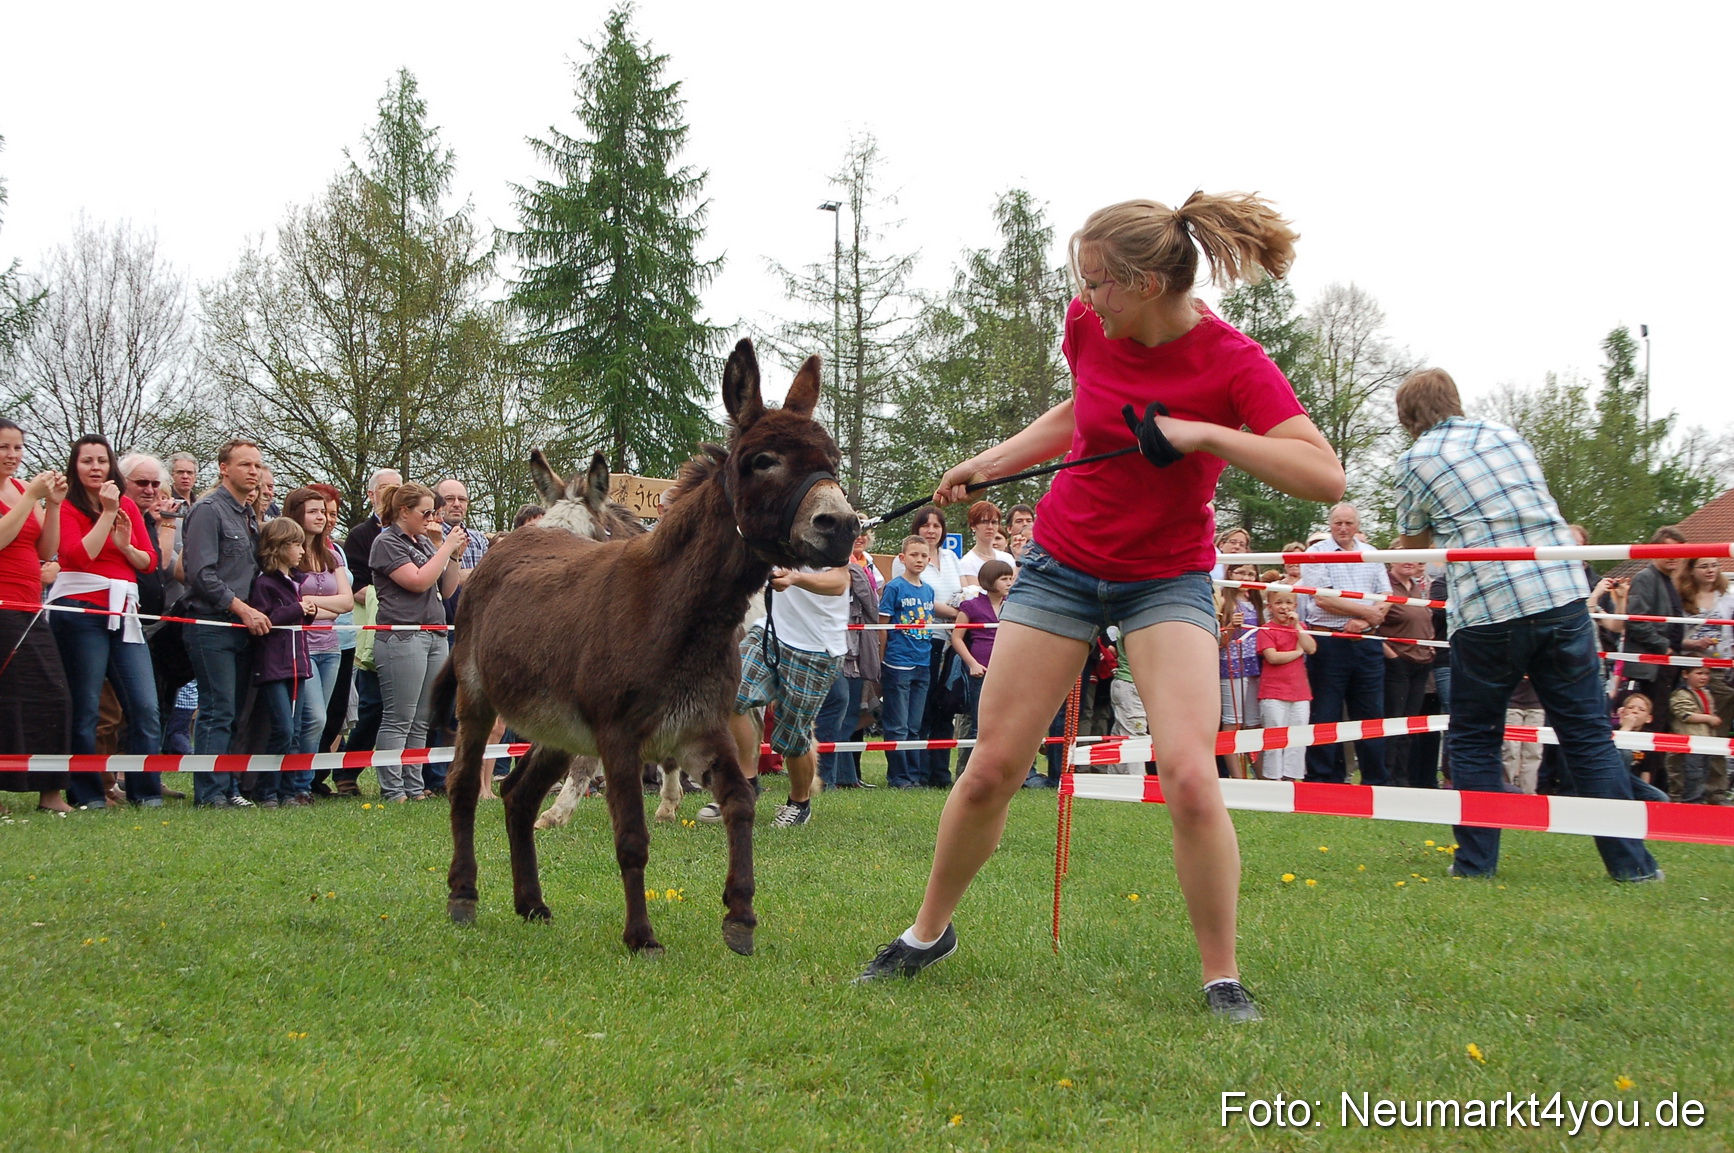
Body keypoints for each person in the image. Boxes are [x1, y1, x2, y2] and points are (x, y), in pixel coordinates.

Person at [855, 192, 1344, 1026]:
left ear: (1147, 282)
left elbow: (1324, 475)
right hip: (1062, 565)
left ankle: (1221, 976)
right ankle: (928, 931)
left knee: (1190, 774)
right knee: (991, 769)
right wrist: (989, 459)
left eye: (1098, 283)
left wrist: (1203, 434)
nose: (1084, 299)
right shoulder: (1092, 332)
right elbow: (1080, 410)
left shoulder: (1232, 361)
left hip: (1167, 579)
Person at [1392, 367, 1659, 882]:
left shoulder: (1415, 458)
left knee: (1473, 739)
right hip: (1561, 593)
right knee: (1587, 737)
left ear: (1408, 418)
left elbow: (1412, 547)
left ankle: (1474, 866)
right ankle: (1634, 868)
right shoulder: (1504, 434)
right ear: (1454, 399)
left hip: (1488, 609)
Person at [48, 434, 162, 808]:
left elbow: (148, 561)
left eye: (101, 460)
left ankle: (146, 791)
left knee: (145, 705)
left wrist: (127, 544)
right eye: (87, 461)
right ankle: (86, 793)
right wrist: (108, 514)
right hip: (82, 610)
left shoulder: (128, 503)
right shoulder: (68, 506)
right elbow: (78, 556)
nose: (95, 468)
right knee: (88, 706)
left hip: (124, 611)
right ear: (75, 467)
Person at [697, 561, 849, 827]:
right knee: (729, 694)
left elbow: (839, 581)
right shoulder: (776, 529)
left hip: (816, 649)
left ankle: (799, 803)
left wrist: (795, 578)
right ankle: (745, 784)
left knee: (793, 738)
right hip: (770, 633)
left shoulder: (829, 526)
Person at [180, 439, 270, 808]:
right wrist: (241, 609)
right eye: (245, 464)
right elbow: (199, 573)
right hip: (211, 623)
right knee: (217, 708)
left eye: (257, 465)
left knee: (236, 710)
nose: (253, 471)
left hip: (244, 629)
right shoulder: (208, 510)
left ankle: (230, 786)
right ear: (223, 468)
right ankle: (210, 792)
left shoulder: (247, 515)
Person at [368, 482, 466, 802]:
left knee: (423, 718)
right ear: (403, 512)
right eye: (425, 513)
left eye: (433, 513)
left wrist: (452, 556)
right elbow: (418, 581)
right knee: (400, 716)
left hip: (434, 633)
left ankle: (413, 783)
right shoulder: (386, 543)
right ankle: (392, 787)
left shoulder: (423, 542)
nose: (431, 518)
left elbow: (447, 589)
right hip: (403, 635)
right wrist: (443, 548)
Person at [0, 418, 74, 814]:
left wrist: (54, 506)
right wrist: (31, 497)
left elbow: (47, 547)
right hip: (2, 607)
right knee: (5, 699)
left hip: (29, 606)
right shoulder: (21, 492)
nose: (12, 456)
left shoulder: (18, 489)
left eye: (17, 448)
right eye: (3, 448)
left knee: (53, 694)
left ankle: (50, 791)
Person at [1301, 504, 1390, 785]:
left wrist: (1365, 622)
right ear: (1330, 524)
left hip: (1366, 641)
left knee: (1370, 712)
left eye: (1348, 523)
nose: (1343, 528)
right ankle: (1324, 778)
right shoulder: (1316, 554)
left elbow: (1386, 595)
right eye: (1338, 523)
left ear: (1356, 525)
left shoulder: (1372, 554)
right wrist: (1366, 612)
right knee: (1326, 711)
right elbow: (1323, 598)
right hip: (1329, 641)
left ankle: (1376, 779)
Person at [282, 487, 353, 789]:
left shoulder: (332, 553)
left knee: (320, 718)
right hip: (299, 647)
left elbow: (346, 603)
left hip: (331, 647)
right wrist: (312, 606)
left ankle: (304, 782)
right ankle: (295, 783)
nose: (321, 517)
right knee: (309, 718)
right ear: (297, 514)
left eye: (323, 511)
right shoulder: (287, 553)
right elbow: (288, 602)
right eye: (313, 511)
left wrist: (309, 605)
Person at [246, 518, 317, 807]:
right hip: (274, 667)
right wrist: (296, 609)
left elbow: (294, 619)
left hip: (298, 666)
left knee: (296, 733)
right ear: (278, 547)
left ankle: (288, 792)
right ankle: (265, 790)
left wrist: (306, 612)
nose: (302, 550)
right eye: (296, 544)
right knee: (283, 730)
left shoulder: (295, 583)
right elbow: (267, 621)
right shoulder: (264, 584)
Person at [892, 506, 964, 786]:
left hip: (951, 640)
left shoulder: (951, 557)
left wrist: (963, 609)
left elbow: (965, 589)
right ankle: (916, 771)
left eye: (936, 525)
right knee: (922, 711)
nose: (931, 530)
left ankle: (940, 773)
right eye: (926, 525)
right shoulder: (906, 559)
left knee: (945, 707)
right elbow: (918, 597)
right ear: (917, 528)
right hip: (922, 640)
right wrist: (953, 611)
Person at [1622, 527, 1687, 793]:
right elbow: (1636, 621)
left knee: (1660, 726)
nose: (1673, 557)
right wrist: (1664, 647)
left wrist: (1686, 646)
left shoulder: (1669, 581)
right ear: (1654, 549)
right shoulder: (1645, 578)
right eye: (1667, 551)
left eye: (1678, 552)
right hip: (1651, 668)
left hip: (1665, 667)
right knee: (1648, 725)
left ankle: (1654, 786)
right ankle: (1644, 786)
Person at [817, 532, 884, 790]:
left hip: (856, 649)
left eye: (863, 533)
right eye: (852, 534)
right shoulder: (826, 565)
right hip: (830, 647)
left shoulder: (866, 567)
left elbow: (872, 605)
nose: (858, 538)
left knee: (851, 713)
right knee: (836, 708)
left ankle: (844, 777)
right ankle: (825, 778)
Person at [878, 535, 937, 789]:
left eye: (924, 555)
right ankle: (898, 776)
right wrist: (882, 658)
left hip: (922, 661)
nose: (919, 560)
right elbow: (882, 626)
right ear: (903, 558)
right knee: (898, 725)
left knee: (914, 725)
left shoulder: (928, 590)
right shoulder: (894, 587)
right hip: (898, 661)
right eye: (914, 555)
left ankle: (914, 775)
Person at [950, 558, 1014, 773]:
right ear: (989, 580)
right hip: (981, 672)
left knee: (1005, 723)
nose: (1009, 583)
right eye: (1004, 579)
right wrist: (972, 663)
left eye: (1010, 578)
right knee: (977, 724)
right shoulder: (971, 605)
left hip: (1007, 672)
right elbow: (957, 637)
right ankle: (966, 772)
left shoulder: (1014, 605)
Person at [1377, 557, 1436, 788]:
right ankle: (1387, 778)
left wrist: (1430, 647)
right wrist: (1392, 655)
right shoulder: (1386, 586)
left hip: (1421, 664)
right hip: (1397, 663)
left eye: (1414, 558)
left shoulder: (1417, 588)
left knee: (1409, 726)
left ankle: (1402, 778)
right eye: (1403, 557)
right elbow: (1374, 623)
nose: (1409, 562)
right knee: (1393, 723)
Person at [1256, 589, 1315, 781]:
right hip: (1273, 692)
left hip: (1300, 692)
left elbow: (1311, 648)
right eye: (1279, 603)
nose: (1284, 607)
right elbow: (1272, 657)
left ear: (1295, 607)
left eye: (1289, 603)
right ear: (1270, 607)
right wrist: (1298, 653)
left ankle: (1292, 776)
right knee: (1275, 736)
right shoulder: (1266, 629)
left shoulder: (1301, 627)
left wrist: (1297, 625)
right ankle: (1273, 777)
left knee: (1298, 738)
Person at [1217, 563, 1262, 778]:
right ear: (1230, 574)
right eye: (1241, 572)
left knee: (1253, 723)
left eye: (1251, 573)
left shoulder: (1256, 603)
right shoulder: (1224, 602)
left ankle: (1262, 776)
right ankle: (1238, 777)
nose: (1246, 577)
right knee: (1233, 721)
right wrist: (1231, 628)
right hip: (1231, 667)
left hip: (1254, 667)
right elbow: (1217, 641)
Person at [1669, 666, 1726, 805]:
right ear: (1685, 674)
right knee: (1691, 774)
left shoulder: (1706, 693)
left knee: (1704, 773)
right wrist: (1709, 718)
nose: (1704, 677)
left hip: (1705, 741)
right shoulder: (1681, 694)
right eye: (1699, 673)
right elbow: (1684, 714)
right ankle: (1689, 801)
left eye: (1706, 673)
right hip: (1690, 742)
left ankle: (1700, 799)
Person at [958, 501, 1015, 586]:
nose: (990, 527)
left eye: (994, 522)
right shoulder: (967, 562)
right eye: (984, 522)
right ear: (973, 525)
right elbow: (975, 595)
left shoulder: (1007, 558)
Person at [166, 452, 199, 517]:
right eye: (180, 472)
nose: (185, 476)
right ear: (171, 475)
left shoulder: (200, 503)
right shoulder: (164, 501)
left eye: (189, 472)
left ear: (195, 476)